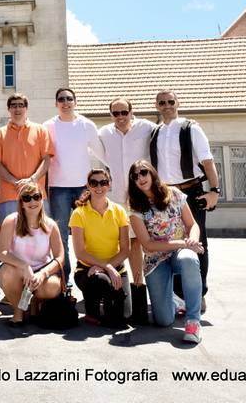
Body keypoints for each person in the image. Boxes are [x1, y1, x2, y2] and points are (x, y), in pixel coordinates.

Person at [149, 90, 219, 311]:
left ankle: (200, 294)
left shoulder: (191, 128)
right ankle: (178, 296)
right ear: (157, 106)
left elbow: (208, 162)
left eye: (171, 101)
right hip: (166, 194)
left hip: (191, 190)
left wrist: (214, 191)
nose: (167, 105)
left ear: (178, 103)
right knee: (171, 243)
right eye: (162, 102)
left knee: (197, 243)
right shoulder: (155, 132)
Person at [127, 160, 205, 343]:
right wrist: (182, 242)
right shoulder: (135, 207)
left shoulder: (175, 194)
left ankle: (193, 320)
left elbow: (192, 224)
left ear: (152, 173)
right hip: (156, 260)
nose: (140, 178)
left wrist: (192, 239)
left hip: (181, 252)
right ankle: (175, 301)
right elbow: (147, 245)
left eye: (143, 172)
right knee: (163, 321)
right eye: (135, 176)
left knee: (189, 259)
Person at [96, 97, 156, 322]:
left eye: (124, 112)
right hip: (115, 199)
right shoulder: (104, 133)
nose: (120, 117)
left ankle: (144, 294)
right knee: (123, 243)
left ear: (132, 112)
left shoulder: (148, 128)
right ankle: (121, 297)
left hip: (142, 197)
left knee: (143, 243)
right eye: (116, 113)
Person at [44, 87, 105, 286]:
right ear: (56, 103)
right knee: (61, 237)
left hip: (83, 188)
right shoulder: (48, 126)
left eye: (69, 99)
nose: (66, 102)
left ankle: (91, 277)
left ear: (75, 102)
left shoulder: (87, 125)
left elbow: (102, 154)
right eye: (61, 99)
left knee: (89, 235)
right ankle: (64, 280)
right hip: (58, 188)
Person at [0, 182, 64, 326]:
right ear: (21, 203)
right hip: (17, 270)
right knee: (6, 274)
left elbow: (60, 257)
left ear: (41, 199)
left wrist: (43, 273)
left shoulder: (51, 225)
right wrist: (24, 266)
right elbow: (1, 253)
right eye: (26, 198)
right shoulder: (11, 221)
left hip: (41, 271)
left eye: (36, 197)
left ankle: (35, 301)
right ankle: (18, 311)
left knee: (53, 286)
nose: (32, 201)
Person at [69, 168, 130, 327]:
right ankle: (92, 311)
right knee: (101, 280)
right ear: (88, 186)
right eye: (94, 183)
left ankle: (107, 306)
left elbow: (125, 250)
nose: (99, 186)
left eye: (103, 182)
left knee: (125, 314)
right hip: (88, 271)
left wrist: (108, 267)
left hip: (116, 268)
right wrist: (106, 267)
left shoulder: (119, 211)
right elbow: (80, 252)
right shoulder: (79, 213)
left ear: (109, 185)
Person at [0, 93, 54, 223]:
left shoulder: (41, 130)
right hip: (9, 196)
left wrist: (33, 179)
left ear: (26, 108)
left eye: (21, 105)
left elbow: (47, 159)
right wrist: (16, 182)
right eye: (13, 106)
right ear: (9, 109)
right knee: (10, 239)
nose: (17, 109)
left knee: (41, 236)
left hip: (36, 194)